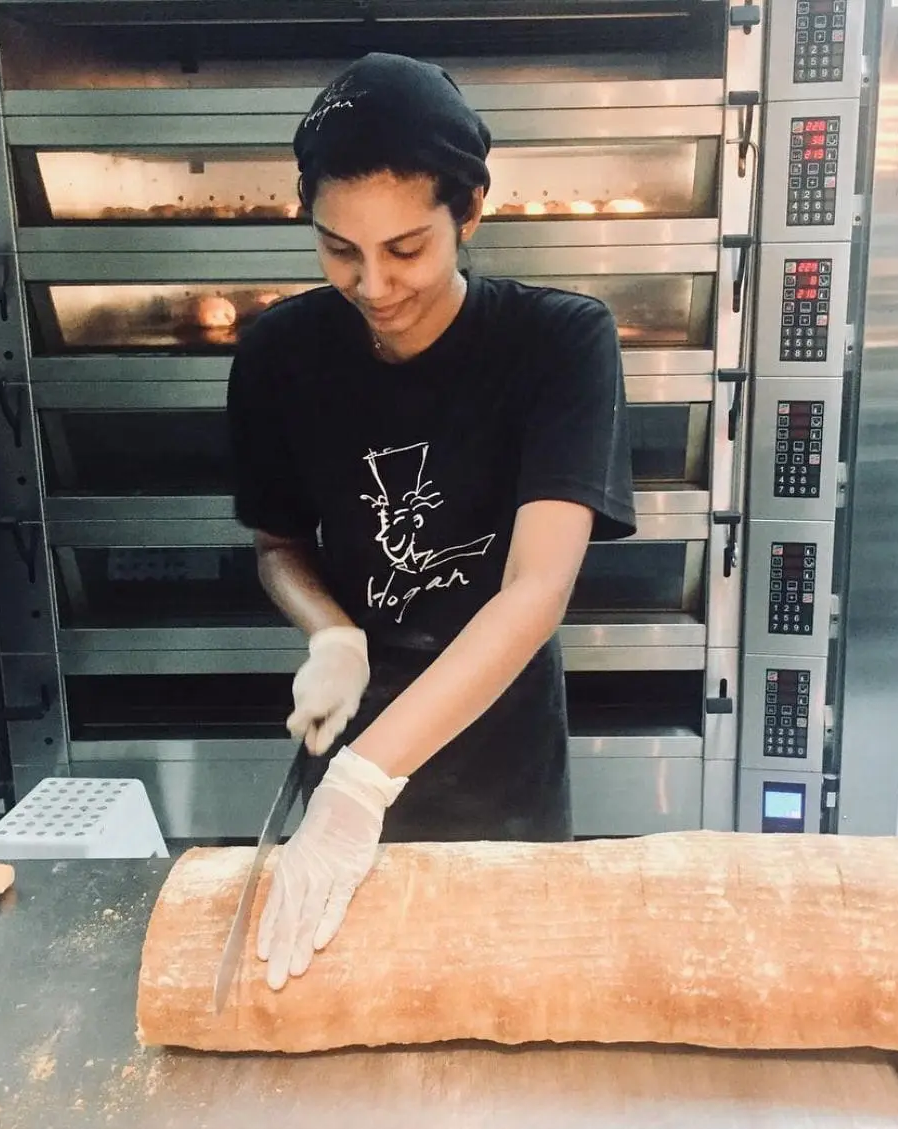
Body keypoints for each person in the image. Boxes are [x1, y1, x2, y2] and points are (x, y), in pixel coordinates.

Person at [226, 52, 635, 990]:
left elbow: (536, 589)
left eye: (405, 247)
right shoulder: (279, 354)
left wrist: (368, 780)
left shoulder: (560, 343)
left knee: (509, 1002)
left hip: (500, 753)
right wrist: (331, 632)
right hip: (348, 735)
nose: (372, 284)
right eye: (339, 248)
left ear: (472, 210)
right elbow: (279, 544)